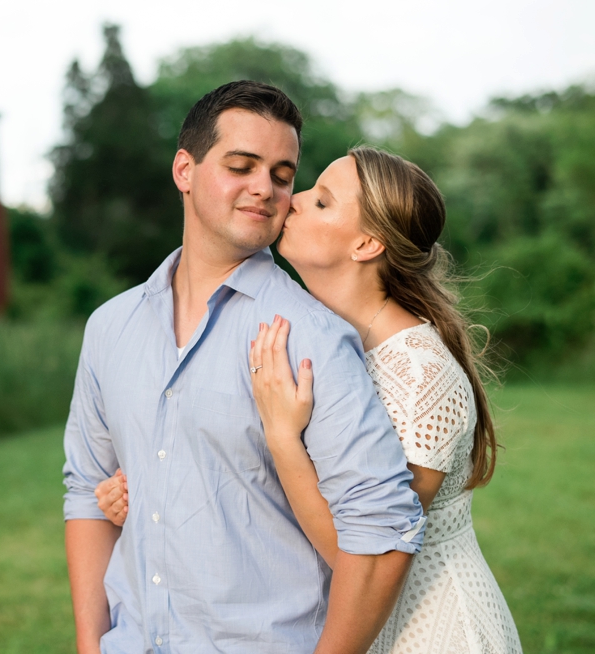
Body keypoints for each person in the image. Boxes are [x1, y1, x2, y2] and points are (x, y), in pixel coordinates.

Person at [97, 146, 523, 652]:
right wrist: (144, 494)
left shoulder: (418, 375)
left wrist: (282, 437)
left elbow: (364, 553)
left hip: (428, 631)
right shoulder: (316, 340)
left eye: (321, 201)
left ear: (366, 243)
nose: (291, 199)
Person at [63, 80, 427, 654]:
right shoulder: (110, 327)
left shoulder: (314, 337)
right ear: (185, 169)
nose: (265, 189)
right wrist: (91, 645)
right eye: (241, 165)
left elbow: (382, 531)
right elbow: (87, 491)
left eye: (283, 176)